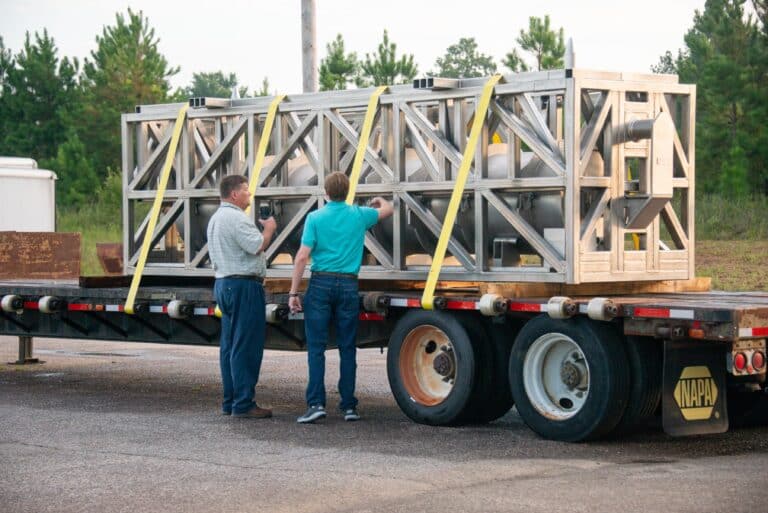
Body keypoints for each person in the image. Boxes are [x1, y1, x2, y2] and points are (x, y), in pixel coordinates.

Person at [288, 171, 393, 424]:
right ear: (347, 192)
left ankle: (316, 404)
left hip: (321, 283)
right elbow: (388, 209)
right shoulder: (359, 215)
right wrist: (379, 200)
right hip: (348, 285)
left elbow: (302, 256)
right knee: (347, 347)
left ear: (325, 193)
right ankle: (349, 407)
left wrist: (293, 291)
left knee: (316, 347)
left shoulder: (315, 217)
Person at [207, 174, 277, 418]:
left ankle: (231, 400)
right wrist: (268, 230)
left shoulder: (216, 218)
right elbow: (257, 245)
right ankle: (244, 404)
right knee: (246, 346)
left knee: (229, 346)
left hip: (224, 283)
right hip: (243, 286)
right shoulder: (236, 218)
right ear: (234, 194)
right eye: (246, 190)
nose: (250, 194)